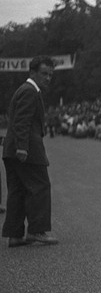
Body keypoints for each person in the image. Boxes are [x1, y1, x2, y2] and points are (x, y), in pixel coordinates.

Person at [2, 55, 59, 247]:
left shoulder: (25, 90)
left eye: (50, 75)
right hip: (25, 149)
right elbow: (22, 121)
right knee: (40, 187)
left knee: (17, 191)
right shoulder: (30, 91)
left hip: (12, 150)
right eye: (44, 73)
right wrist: (22, 147)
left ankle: (15, 234)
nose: (48, 78)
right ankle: (37, 231)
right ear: (32, 72)